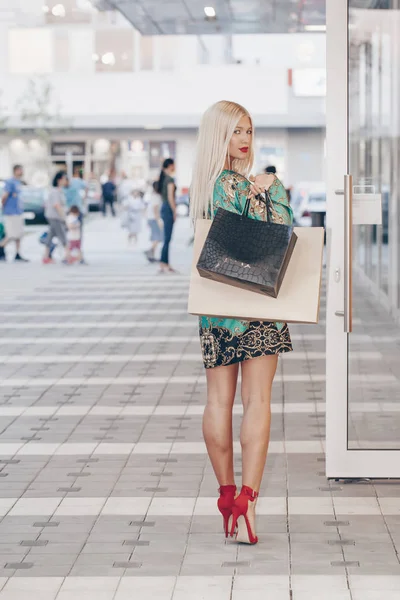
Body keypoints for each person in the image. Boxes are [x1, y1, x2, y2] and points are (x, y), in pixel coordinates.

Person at [190, 100, 293, 545]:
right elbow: (280, 229)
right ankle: (248, 499)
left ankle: (226, 495)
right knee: (258, 403)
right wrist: (272, 187)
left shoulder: (207, 186)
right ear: (220, 136)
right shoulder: (242, 184)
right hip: (256, 305)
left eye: (249, 130)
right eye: (235, 131)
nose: (245, 139)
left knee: (217, 402)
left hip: (217, 305)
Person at [0, 165, 28, 262]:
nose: (21, 172)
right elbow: (5, 196)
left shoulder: (18, 182)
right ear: (15, 171)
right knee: (12, 234)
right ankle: (1, 247)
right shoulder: (10, 182)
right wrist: (4, 207)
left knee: (19, 234)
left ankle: (17, 253)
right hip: (11, 212)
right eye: (20, 170)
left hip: (18, 211)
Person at [43, 171, 71, 264]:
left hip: (53, 217)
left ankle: (45, 256)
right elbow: (57, 205)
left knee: (50, 237)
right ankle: (68, 256)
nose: (65, 181)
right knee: (63, 236)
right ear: (59, 180)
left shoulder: (59, 191)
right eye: (64, 179)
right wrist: (64, 217)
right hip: (56, 217)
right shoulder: (55, 191)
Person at [158, 158, 177, 273]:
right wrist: (175, 211)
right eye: (174, 165)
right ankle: (163, 263)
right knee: (167, 238)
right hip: (168, 208)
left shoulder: (163, 178)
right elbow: (171, 197)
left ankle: (164, 263)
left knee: (166, 238)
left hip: (164, 207)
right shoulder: (169, 179)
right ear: (170, 165)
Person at [144, 181, 163, 262]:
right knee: (157, 237)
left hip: (151, 218)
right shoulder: (157, 196)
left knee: (156, 237)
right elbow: (155, 208)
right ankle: (150, 251)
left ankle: (151, 253)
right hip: (154, 218)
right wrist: (158, 220)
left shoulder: (153, 195)